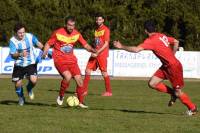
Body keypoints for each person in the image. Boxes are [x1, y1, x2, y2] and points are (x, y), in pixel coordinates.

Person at [113, 20, 197, 116]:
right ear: (154, 28)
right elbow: (176, 41)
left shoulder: (151, 40)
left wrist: (121, 46)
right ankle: (172, 93)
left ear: (145, 31)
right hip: (166, 66)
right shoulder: (161, 36)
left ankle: (193, 108)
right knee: (152, 83)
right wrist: (173, 54)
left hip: (174, 67)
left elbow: (136, 50)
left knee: (178, 92)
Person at [42, 16, 96, 108]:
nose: (71, 27)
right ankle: (61, 95)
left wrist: (92, 50)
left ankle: (80, 102)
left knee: (80, 81)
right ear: (65, 24)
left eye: (73, 25)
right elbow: (48, 43)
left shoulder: (76, 34)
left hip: (72, 61)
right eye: (69, 25)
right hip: (59, 60)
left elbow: (85, 45)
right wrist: (45, 52)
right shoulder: (58, 33)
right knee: (68, 76)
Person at [9, 22, 44, 106]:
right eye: (20, 33)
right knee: (18, 84)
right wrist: (20, 54)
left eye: (23, 32)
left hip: (31, 62)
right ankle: (21, 97)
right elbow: (12, 55)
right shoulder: (12, 41)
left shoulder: (29, 36)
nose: (22, 34)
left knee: (34, 80)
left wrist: (44, 50)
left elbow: (38, 43)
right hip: (19, 65)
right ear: (16, 33)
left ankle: (29, 88)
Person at [83, 14, 112, 97]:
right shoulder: (96, 30)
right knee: (87, 70)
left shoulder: (106, 29)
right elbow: (97, 42)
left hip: (102, 54)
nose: (98, 21)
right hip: (95, 53)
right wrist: (93, 50)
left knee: (104, 73)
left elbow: (106, 43)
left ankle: (109, 92)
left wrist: (97, 52)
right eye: (97, 20)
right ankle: (84, 91)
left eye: (99, 20)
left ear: (103, 20)